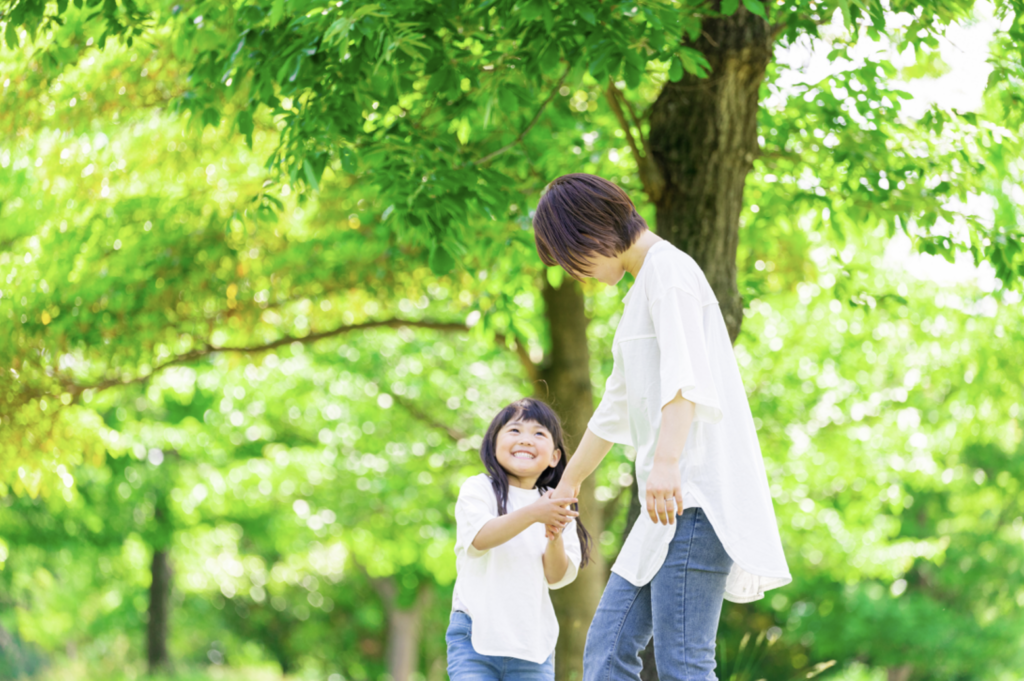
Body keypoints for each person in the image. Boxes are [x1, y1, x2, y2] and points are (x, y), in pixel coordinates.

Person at [532, 173, 791, 681]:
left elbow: (684, 380)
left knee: (684, 664)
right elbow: (614, 407)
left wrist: (668, 464)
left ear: (590, 231)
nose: (575, 273)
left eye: (571, 258)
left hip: (694, 499)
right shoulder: (642, 289)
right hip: (666, 509)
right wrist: (567, 484)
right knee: (607, 651)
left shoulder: (669, 273)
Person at [448, 397, 592, 680]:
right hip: (474, 637)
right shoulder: (479, 489)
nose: (526, 439)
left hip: (532, 647)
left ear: (554, 456)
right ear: (493, 444)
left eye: (538, 433)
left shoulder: (558, 504)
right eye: (514, 430)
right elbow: (479, 538)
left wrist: (554, 536)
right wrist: (535, 514)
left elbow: (556, 576)